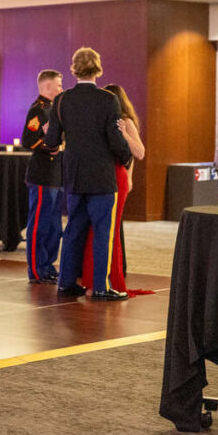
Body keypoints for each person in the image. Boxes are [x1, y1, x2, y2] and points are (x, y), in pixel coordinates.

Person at [44, 47, 133, 301]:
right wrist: (126, 157)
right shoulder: (108, 100)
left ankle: (66, 283)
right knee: (103, 233)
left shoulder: (62, 100)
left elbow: (52, 141)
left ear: (74, 69)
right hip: (102, 176)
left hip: (74, 176)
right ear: (98, 68)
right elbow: (114, 138)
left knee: (73, 230)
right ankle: (101, 287)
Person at [80, 84, 146, 292]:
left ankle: (112, 277)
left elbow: (139, 152)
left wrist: (124, 133)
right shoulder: (101, 120)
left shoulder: (125, 121)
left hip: (117, 177)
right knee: (97, 227)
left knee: (110, 228)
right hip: (99, 176)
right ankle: (94, 277)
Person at [21, 69, 63, 284]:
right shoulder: (38, 109)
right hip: (42, 175)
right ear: (47, 86)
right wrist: (51, 146)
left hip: (55, 176)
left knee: (55, 227)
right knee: (40, 224)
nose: (61, 89)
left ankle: (48, 265)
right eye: (58, 85)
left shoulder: (53, 109)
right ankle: (37, 269)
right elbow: (28, 140)